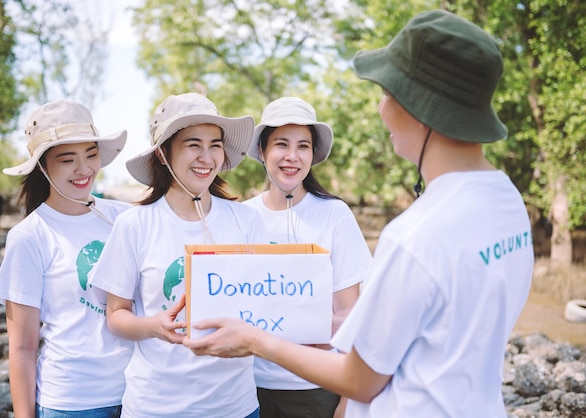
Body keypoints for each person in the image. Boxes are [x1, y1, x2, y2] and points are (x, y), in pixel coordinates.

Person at [183, 9, 535, 417]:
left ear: (418, 106)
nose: (383, 109)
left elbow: (361, 381)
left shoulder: (416, 236)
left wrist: (255, 340)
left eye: (387, 92)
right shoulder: (507, 200)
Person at [89, 92, 265, 418]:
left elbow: (262, 303)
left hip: (235, 406)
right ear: (163, 154)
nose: (207, 156)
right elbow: (116, 316)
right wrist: (154, 327)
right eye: (193, 144)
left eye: (215, 144)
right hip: (155, 406)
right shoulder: (134, 224)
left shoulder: (247, 220)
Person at [0, 100, 132, 418]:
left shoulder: (125, 218)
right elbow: (22, 348)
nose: (84, 170)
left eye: (91, 155)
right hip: (71, 403)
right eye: (68, 160)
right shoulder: (29, 236)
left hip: (139, 395)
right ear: (42, 166)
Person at [244, 96, 372, 417]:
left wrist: (347, 399)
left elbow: (348, 316)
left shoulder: (334, 214)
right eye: (281, 144)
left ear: (313, 155)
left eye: (303, 146)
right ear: (262, 151)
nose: (292, 156)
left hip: (315, 387)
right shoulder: (241, 217)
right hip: (246, 388)